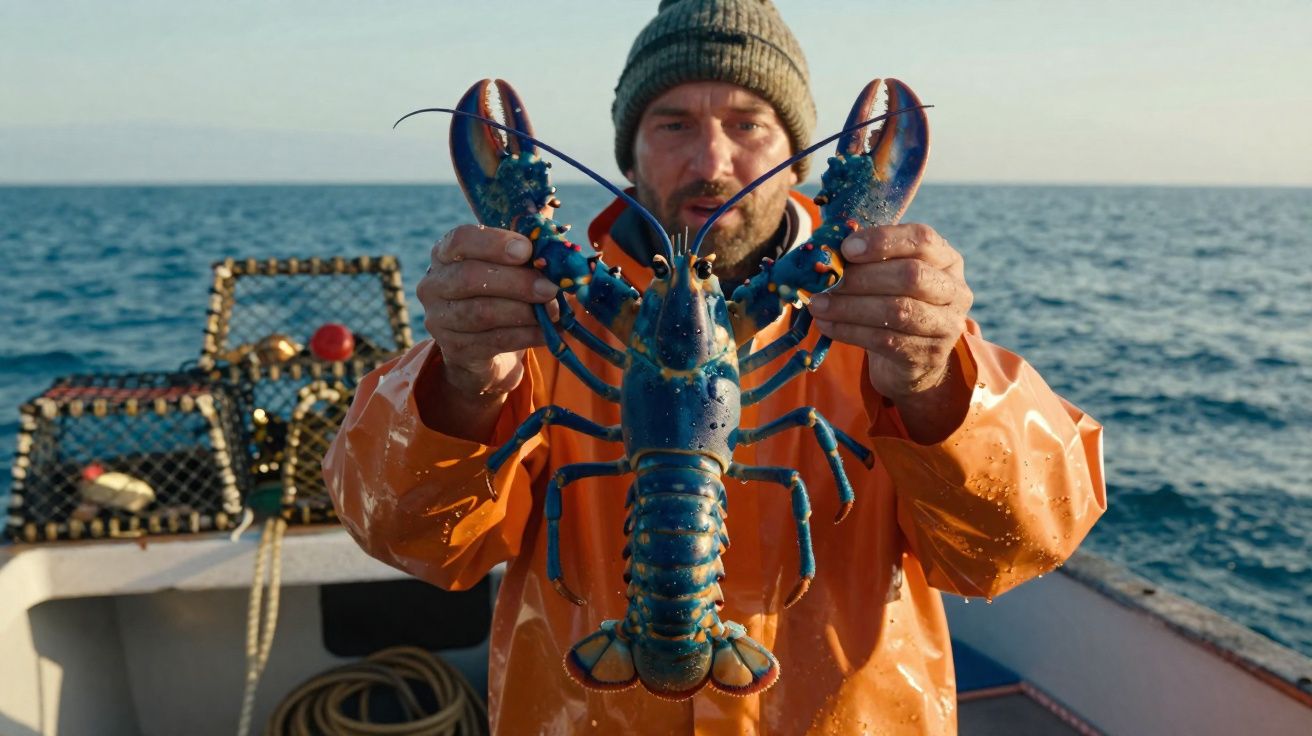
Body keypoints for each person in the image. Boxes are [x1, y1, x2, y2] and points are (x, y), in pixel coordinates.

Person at [325, 0, 1106, 732]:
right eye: (672, 123)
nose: (712, 159)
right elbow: (409, 540)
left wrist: (935, 391)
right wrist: (464, 385)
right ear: (628, 153)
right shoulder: (523, 323)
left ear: (796, 157)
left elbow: (1018, 544)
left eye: (749, 123)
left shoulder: (899, 328)